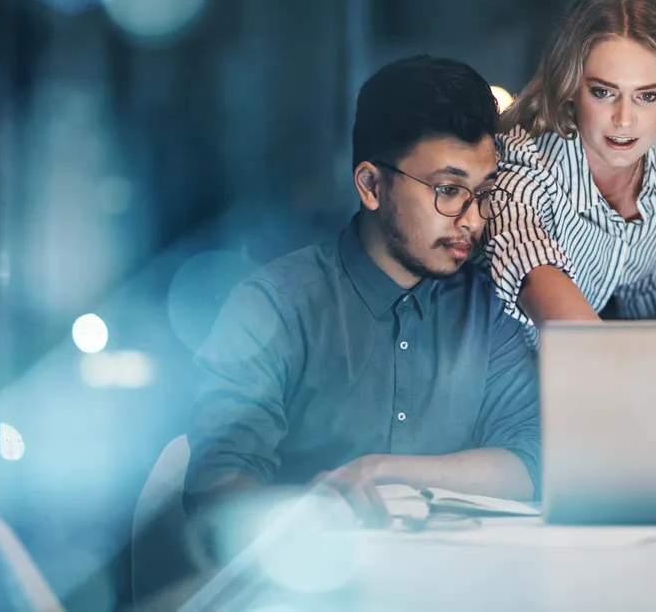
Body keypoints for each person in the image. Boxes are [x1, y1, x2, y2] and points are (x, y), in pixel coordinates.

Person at [183, 56, 540, 527]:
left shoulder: (489, 307)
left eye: (484, 192)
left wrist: (385, 473)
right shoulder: (275, 308)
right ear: (371, 185)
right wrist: (305, 517)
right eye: (449, 190)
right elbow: (217, 485)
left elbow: (532, 459)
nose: (473, 219)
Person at [485, 0, 656, 341]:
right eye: (603, 92)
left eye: (647, 96)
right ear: (572, 85)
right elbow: (528, 266)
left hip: (594, 370)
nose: (624, 119)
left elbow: (645, 287)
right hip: (500, 381)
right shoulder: (524, 161)